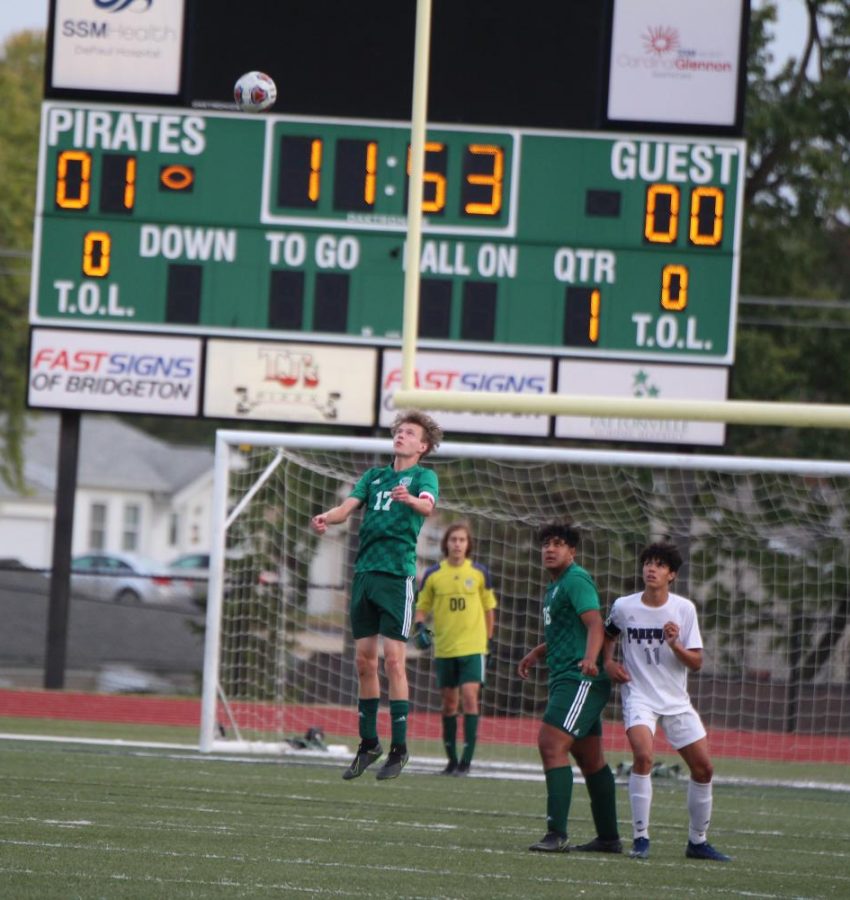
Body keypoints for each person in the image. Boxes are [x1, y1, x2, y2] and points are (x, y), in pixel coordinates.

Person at [310, 409, 443, 781]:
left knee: (394, 661)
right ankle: (369, 743)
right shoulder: (374, 476)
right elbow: (346, 508)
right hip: (365, 575)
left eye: (409, 432)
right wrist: (326, 517)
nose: (401, 435)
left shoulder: (423, 475)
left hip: (396, 576)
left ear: (423, 445)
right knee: (364, 661)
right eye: (399, 430)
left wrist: (410, 500)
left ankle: (400, 748)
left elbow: (428, 505)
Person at [603, 542, 732, 862]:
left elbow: (697, 663)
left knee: (704, 769)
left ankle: (697, 842)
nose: (652, 569)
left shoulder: (683, 609)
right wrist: (607, 663)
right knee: (643, 756)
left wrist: (675, 645)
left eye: (660, 565)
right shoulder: (624, 606)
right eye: (648, 562)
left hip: (676, 701)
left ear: (671, 574)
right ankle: (641, 838)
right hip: (639, 696)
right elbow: (607, 635)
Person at [518, 523, 621, 853]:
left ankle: (556, 833)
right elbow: (569, 631)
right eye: (546, 543)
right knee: (590, 760)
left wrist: (591, 660)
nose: (550, 549)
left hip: (580, 679)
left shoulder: (575, 579)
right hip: (565, 676)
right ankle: (608, 838)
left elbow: (595, 624)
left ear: (572, 551)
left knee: (550, 743)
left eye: (558, 544)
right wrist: (538, 651)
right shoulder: (555, 587)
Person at [413, 522, 498, 776]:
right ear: (446, 544)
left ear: (468, 544)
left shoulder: (480, 573)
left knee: (470, 698)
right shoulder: (433, 574)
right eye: (453, 540)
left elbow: (488, 609)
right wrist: (420, 628)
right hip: (445, 649)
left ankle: (466, 762)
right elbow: (422, 607)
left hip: (473, 647)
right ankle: (451, 760)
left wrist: (488, 642)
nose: (458, 544)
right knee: (449, 704)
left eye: (462, 540)